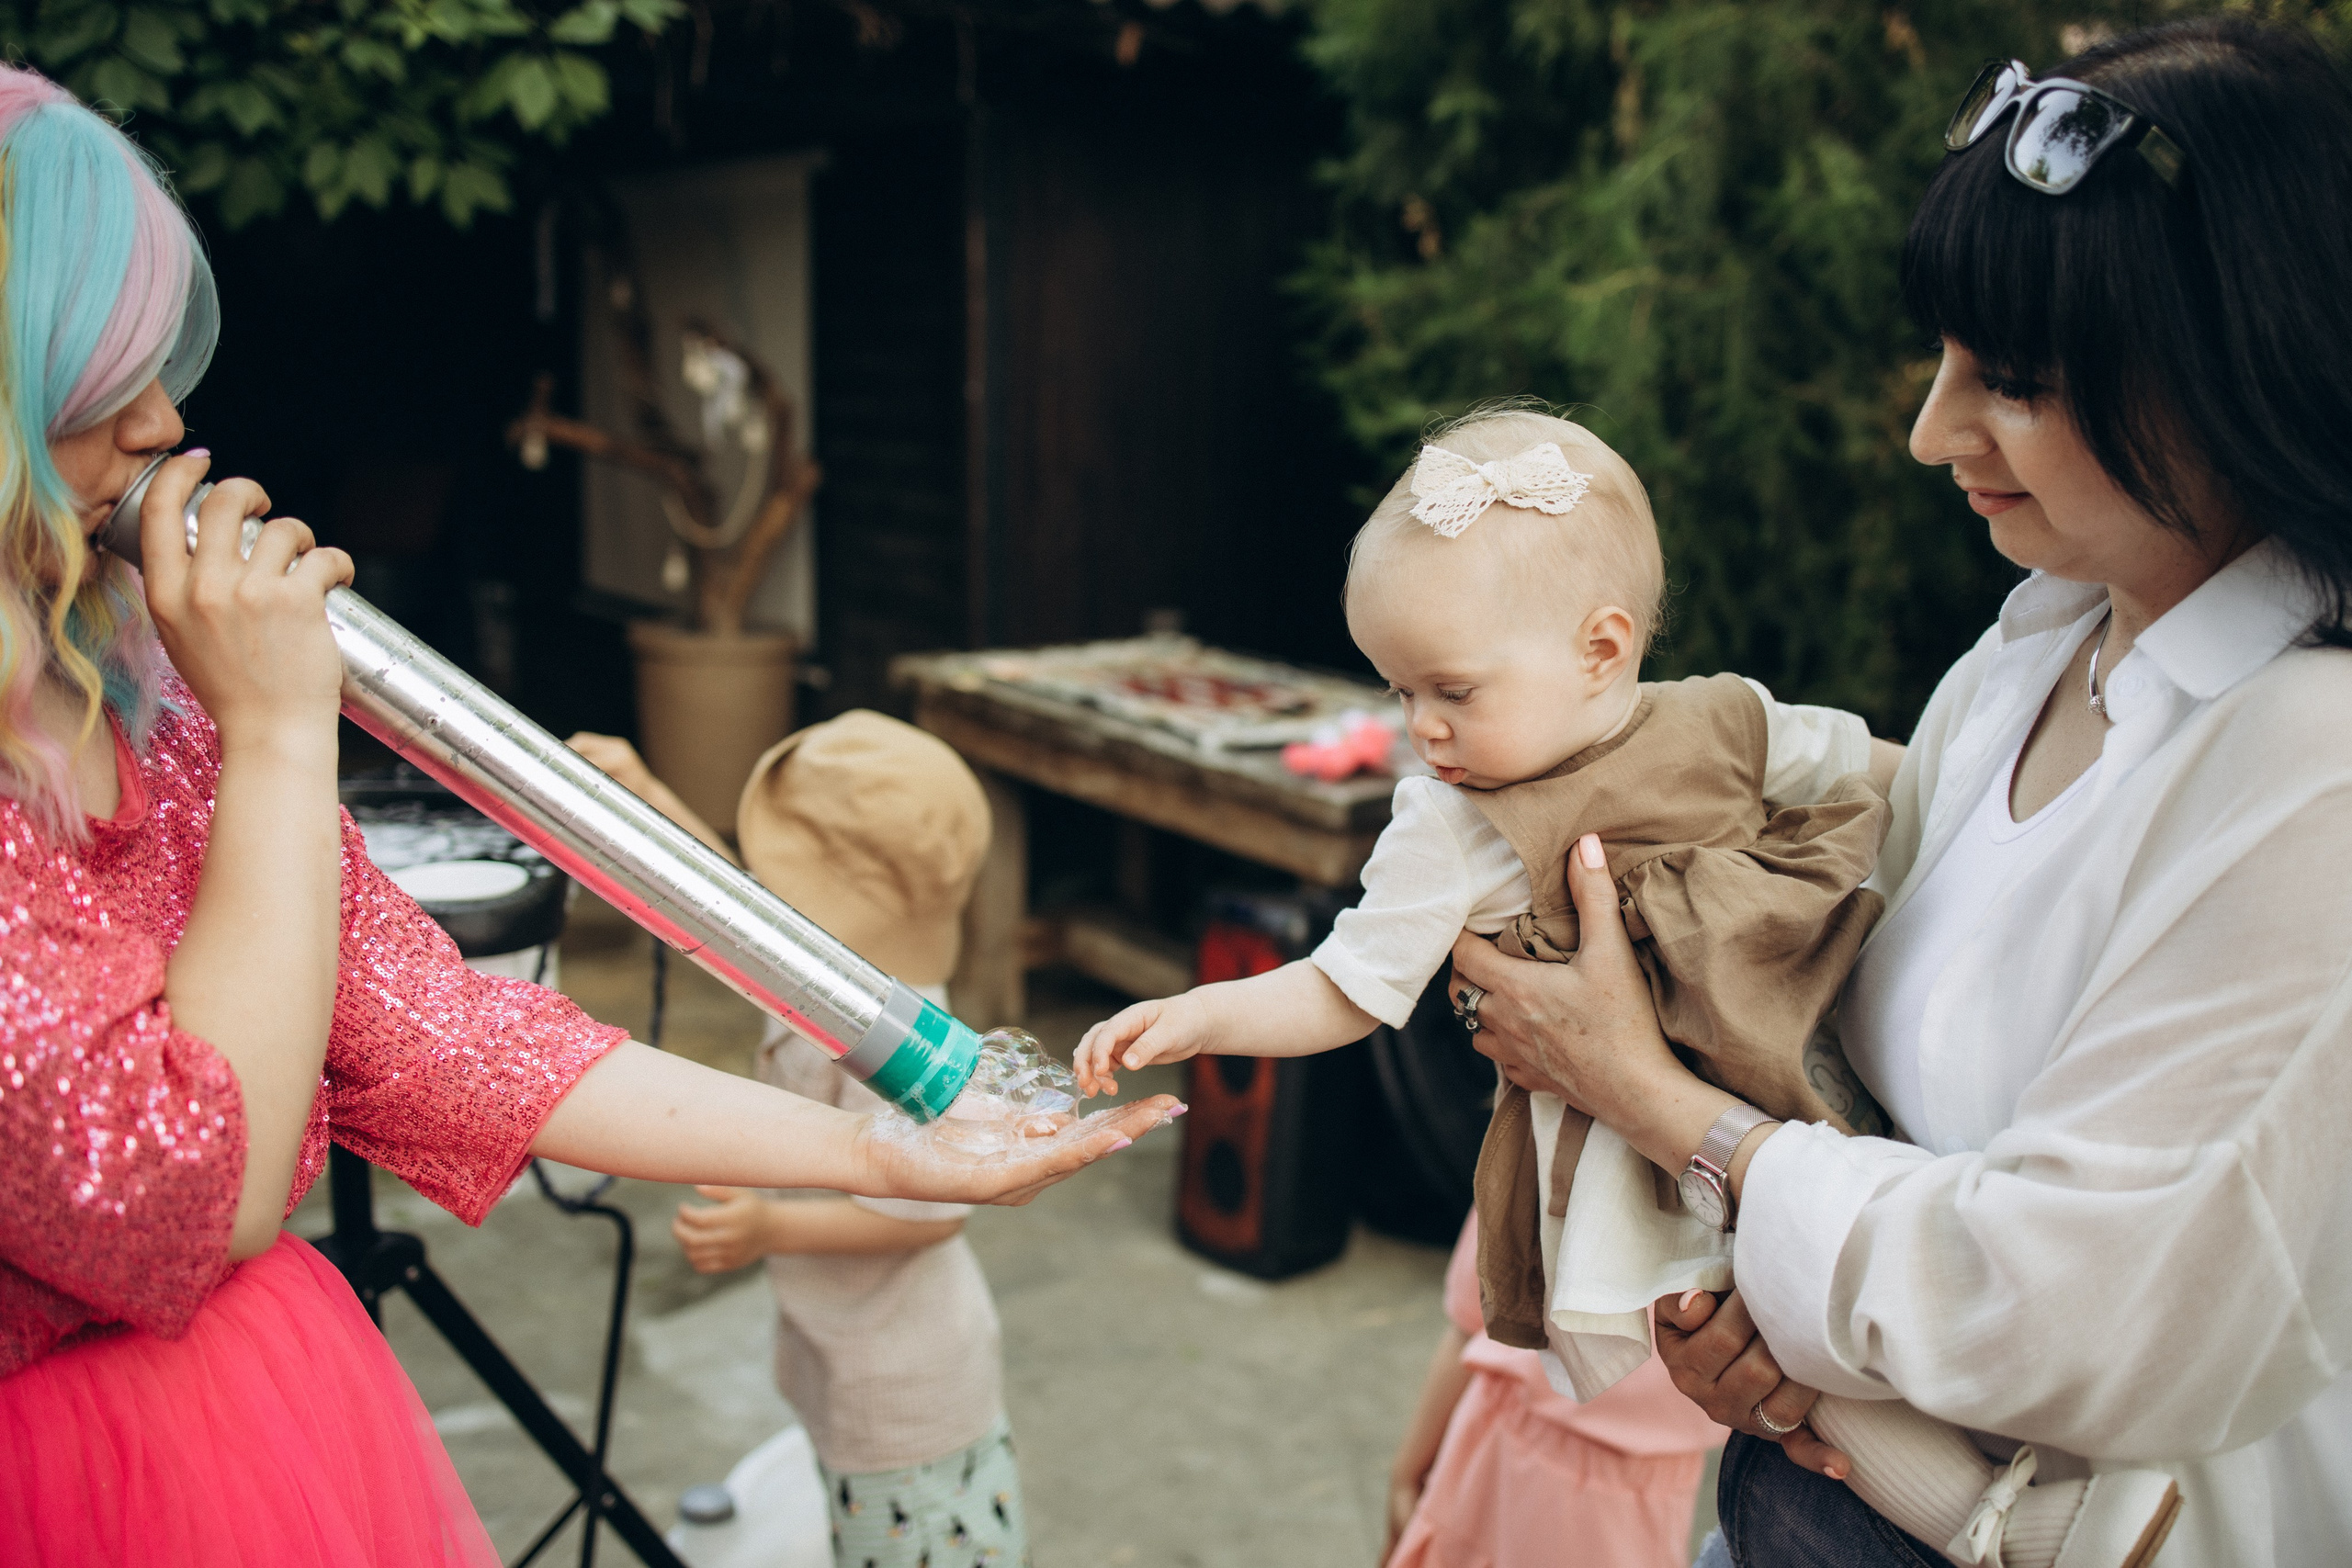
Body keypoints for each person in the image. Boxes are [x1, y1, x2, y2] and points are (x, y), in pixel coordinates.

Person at [0, 67, 1175, 1564]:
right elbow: (185, 1197)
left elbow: (429, 1025)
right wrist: (286, 728)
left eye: (158, 360)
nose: (167, 419)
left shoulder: (134, 690)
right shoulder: (219, 729)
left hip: (248, 1416)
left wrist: (883, 1156)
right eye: (101, 381)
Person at [1443, 17, 2352, 1568]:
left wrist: (1653, 1101)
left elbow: (2077, 1294)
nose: (1933, 432)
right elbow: (1869, 1102)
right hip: (1813, 1508)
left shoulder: (2308, 769)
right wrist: (1764, 1308)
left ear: (2231, 363)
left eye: (2011, 379)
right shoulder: (2033, 655)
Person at [1073, 406, 2175, 1564]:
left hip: (1785, 1061)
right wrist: (1199, 1015)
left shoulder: (1727, 722)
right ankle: (1996, 1524)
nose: (1421, 730)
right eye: (1399, 693)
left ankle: (2008, 1503)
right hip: (1629, 1160)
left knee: (1849, 1293)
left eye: (1449, 690)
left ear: (1601, 649)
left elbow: (1914, 793)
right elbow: (1349, 984)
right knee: (1744, 1328)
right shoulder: (1452, 827)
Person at [577, 717, 1037, 1568]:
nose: (767, 897)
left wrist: (770, 1228)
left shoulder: (906, 1048)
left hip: (905, 1385)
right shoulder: (820, 967)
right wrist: (644, 798)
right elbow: (736, 900)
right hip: (838, 1343)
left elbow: (932, 1216)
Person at [1383, 1209, 1722, 1568]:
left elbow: (1467, 1323)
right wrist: (1406, 1473)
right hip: (1498, 1454)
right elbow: (1471, 1317)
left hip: (1604, 1488)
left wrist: (1407, 1473)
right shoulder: (1554, 1155)